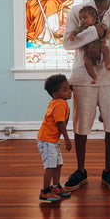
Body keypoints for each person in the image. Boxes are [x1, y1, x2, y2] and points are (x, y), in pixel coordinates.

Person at [62, 0, 110, 192]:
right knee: (81, 125)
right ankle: (80, 171)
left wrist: (103, 56)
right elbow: (68, 43)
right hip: (83, 76)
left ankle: (108, 171)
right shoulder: (77, 11)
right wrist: (94, 32)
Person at [37, 74, 73, 203]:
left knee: (58, 164)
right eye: (65, 89)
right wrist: (67, 140)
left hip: (52, 140)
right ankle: (45, 192)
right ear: (56, 94)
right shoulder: (59, 104)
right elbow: (60, 123)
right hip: (47, 140)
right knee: (50, 166)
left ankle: (56, 187)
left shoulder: (60, 102)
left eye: (69, 88)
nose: (69, 91)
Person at [68, 6, 110, 84]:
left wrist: (105, 38)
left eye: (85, 17)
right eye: (80, 19)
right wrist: (72, 35)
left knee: (107, 49)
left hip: (100, 47)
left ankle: (107, 64)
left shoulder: (100, 25)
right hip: (88, 52)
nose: (82, 20)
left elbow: (108, 31)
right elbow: (74, 32)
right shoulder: (82, 28)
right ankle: (94, 77)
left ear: (93, 18)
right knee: (86, 62)